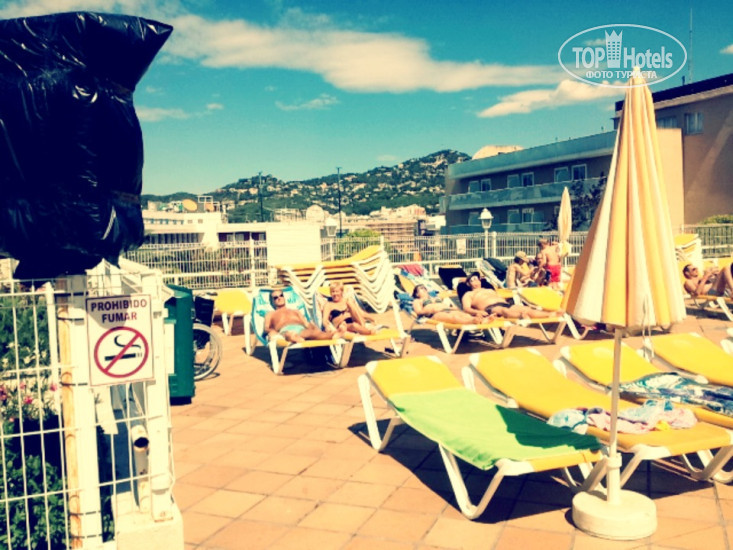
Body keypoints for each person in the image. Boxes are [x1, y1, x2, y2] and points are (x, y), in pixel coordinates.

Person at [461, 272, 555, 320]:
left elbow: (500, 297)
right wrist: (478, 312)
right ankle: (521, 316)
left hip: (504, 304)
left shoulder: (489, 290)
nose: (476, 281)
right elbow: (466, 308)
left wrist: (508, 301)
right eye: (472, 280)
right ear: (468, 284)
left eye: (477, 279)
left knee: (526, 309)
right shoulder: (468, 294)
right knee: (504, 311)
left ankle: (550, 315)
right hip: (491, 308)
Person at [264, 290, 344, 343]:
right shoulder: (271, 314)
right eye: (275, 297)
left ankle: (334, 335)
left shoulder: (295, 311)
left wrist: (314, 328)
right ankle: (294, 337)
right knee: (289, 334)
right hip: (285, 330)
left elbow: (306, 324)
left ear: (284, 297)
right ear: (272, 301)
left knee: (312, 333)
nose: (279, 298)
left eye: (281, 295)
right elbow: (266, 328)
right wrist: (273, 332)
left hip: (300, 329)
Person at [412, 284, 485, 324]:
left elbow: (447, 304)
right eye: (421, 288)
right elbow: (419, 312)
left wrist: (454, 308)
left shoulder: (435, 297)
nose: (424, 289)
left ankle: (483, 320)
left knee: (466, 315)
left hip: (449, 309)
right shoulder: (417, 301)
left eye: (424, 288)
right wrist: (431, 310)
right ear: (417, 294)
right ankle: (472, 322)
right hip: (435, 314)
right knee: (454, 318)